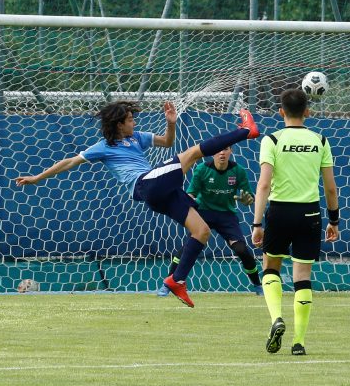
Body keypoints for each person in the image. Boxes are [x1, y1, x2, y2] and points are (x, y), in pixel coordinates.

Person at [15, 101, 260, 308]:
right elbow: (69, 162)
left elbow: (167, 142)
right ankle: (245, 131)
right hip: (146, 185)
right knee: (192, 154)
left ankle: (177, 281)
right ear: (119, 124)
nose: (134, 123)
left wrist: (171, 122)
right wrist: (37, 178)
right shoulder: (104, 147)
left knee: (202, 231)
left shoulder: (137, 138)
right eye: (130, 120)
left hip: (159, 191)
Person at [251, 88, 339, 356]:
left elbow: (264, 184)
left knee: (271, 265)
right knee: (303, 276)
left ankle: (276, 317)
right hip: (310, 214)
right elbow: (331, 188)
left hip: (279, 212)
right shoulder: (320, 141)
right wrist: (334, 219)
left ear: (281, 112)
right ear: (307, 112)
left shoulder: (272, 140)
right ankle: (299, 342)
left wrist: (257, 224)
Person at [156, 146, 264, 296]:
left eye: (225, 149)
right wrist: (183, 205)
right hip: (204, 213)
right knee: (188, 248)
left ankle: (258, 285)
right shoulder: (202, 169)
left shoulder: (238, 170)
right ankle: (167, 285)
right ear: (212, 153)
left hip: (226, 216)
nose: (221, 152)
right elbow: (192, 193)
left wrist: (247, 200)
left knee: (242, 250)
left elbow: (248, 198)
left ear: (230, 151)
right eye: (218, 150)